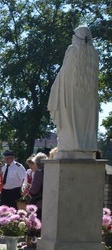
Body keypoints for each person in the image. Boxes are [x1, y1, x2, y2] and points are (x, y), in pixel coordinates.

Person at [48, 26, 100, 156]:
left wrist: (55, 89)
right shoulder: (94, 55)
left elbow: (64, 75)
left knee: (70, 123)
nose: (72, 37)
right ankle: (85, 144)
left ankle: (71, 144)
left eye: (74, 35)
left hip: (70, 97)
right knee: (85, 121)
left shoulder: (72, 51)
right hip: (88, 99)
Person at [28, 153, 47, 220]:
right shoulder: (49, 171)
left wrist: (29, 190)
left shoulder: (39, 172)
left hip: (39, 203)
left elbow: (34, 190)